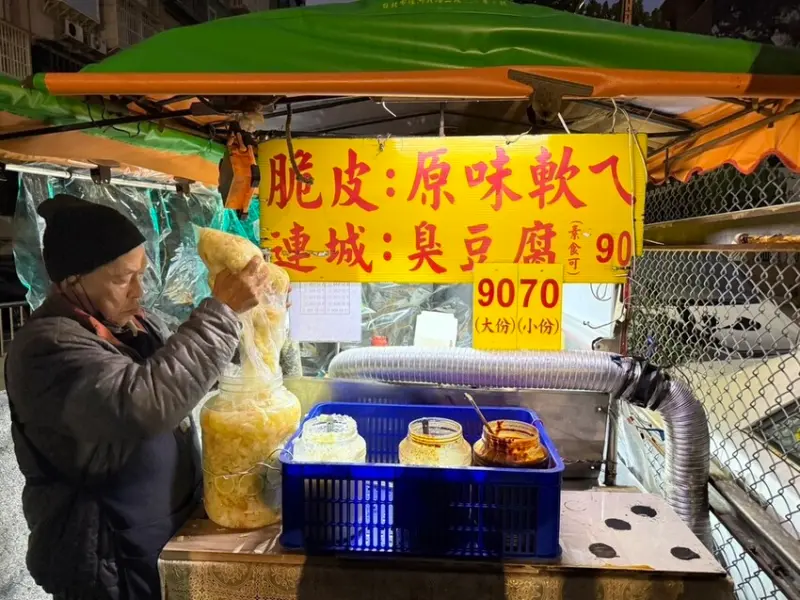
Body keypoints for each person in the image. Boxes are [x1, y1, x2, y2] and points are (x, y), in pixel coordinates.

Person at [6, 194, 269, 600]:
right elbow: (143, 403)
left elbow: (191, 370)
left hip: (154, 541)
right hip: (107, 557)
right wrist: (222, 313)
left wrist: (259, 319)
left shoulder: (133, 324)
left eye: (141, 274)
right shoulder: (47, 348)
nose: (138, 290)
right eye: (121, 278)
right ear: (72, 281)